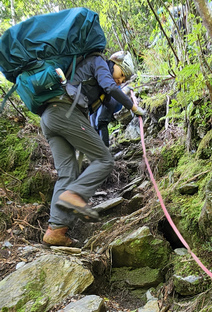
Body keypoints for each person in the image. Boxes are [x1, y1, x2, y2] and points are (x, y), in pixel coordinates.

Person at [41, 50, 145, 247]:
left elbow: (111, 102)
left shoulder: (95, 80)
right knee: (105, 160)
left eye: (124, 79)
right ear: (113, 62)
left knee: (67, 174)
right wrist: (132, 106)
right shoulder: (98, 62)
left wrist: (126, 95)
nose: (120, 80)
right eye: (121, 74)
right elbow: (110, 88)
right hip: (66, 112)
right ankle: (75, 194)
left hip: (50, 118)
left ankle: (55, 231)